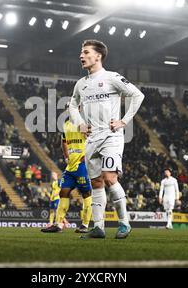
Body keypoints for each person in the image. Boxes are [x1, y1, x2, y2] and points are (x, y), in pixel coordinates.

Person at [69, 39, 145, 239]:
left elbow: (137, 95)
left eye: (86, 52)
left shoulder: (112, 78)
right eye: (81, 52)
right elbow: (72, 105)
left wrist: (124, 121)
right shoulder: (81, 84)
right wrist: (80, 124)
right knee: (96, 183)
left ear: (98, 56)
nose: (81, 56)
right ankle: (98, 227)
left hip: (111, 136)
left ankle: (124, 224)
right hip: (91, 138)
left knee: (110, 177)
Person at [41, 108, 93, 234]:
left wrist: (86, 157)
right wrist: (66, 156)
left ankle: (85, 225)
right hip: (70, 167)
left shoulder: (85, 123)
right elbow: (64, 141)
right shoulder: (66, 125)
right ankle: (58, 225)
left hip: (82, 166)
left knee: (86, 195)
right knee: (63, 193)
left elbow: (93, 140)